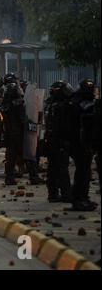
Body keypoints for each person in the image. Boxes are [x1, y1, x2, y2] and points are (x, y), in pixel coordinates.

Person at [2, 82, 43, 185]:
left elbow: (1, 121)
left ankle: (9, 177)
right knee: (29, 156)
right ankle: (34, 177)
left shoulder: (4, 105)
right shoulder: (19, 103)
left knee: (11, 158)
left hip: (9, 134)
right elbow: (22, 120)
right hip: (20, 134)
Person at [69, 79, 97, 211]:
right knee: (83, 172)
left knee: (84, 172)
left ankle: (81, 198)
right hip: (80, 143)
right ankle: (79, 199)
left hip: (83, 143)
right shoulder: (80, 105)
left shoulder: (78, 102)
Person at [44, 81, 74, 202]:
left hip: (51, 139)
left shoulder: (49, 104)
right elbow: (66, 126)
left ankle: (53, 194)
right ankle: (66, 194)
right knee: (62, 168)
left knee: (52, 168)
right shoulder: (63, 106)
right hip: (60, 140)